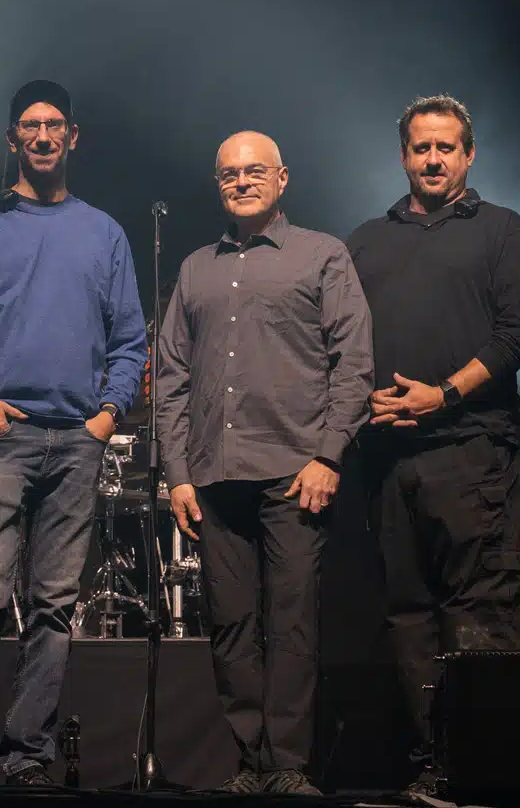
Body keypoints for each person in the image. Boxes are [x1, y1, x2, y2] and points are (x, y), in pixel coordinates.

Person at [0, 80, 147, 786]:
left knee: (54, 606)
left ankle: (29, 754)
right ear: (12, 139)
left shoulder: (103, 231)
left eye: (54, 126)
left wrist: (106, 417)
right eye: (29, 127)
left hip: (77, 440)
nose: (42, 137)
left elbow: (131, 341)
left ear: (73, 137)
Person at [157, 131, 373, 796]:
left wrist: (329, 455)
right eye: (229, 174)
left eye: (254, 171)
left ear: (283, 179)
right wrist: (178, 472)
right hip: (216, 477)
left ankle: (286, 766)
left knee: (292, 624)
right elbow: (167, 376)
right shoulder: (194, 270)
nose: (242, 181)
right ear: (217, 184)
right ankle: (250, 764)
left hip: (294, 473)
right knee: (230, 626)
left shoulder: (322, 256)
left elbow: (355, 363)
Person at [344, 95, 520, 797]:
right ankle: (433, 761)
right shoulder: (366, 240)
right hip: (385, 459)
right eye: (421, 147)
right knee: (406, 613)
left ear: (468, 154)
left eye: (446, 147)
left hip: (473, 451)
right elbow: (335, 340)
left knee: (477, 611)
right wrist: (361, 396)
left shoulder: (501, 231)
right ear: (403, 154)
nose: (433, 159)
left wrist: (445, 393)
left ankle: (486, 765)